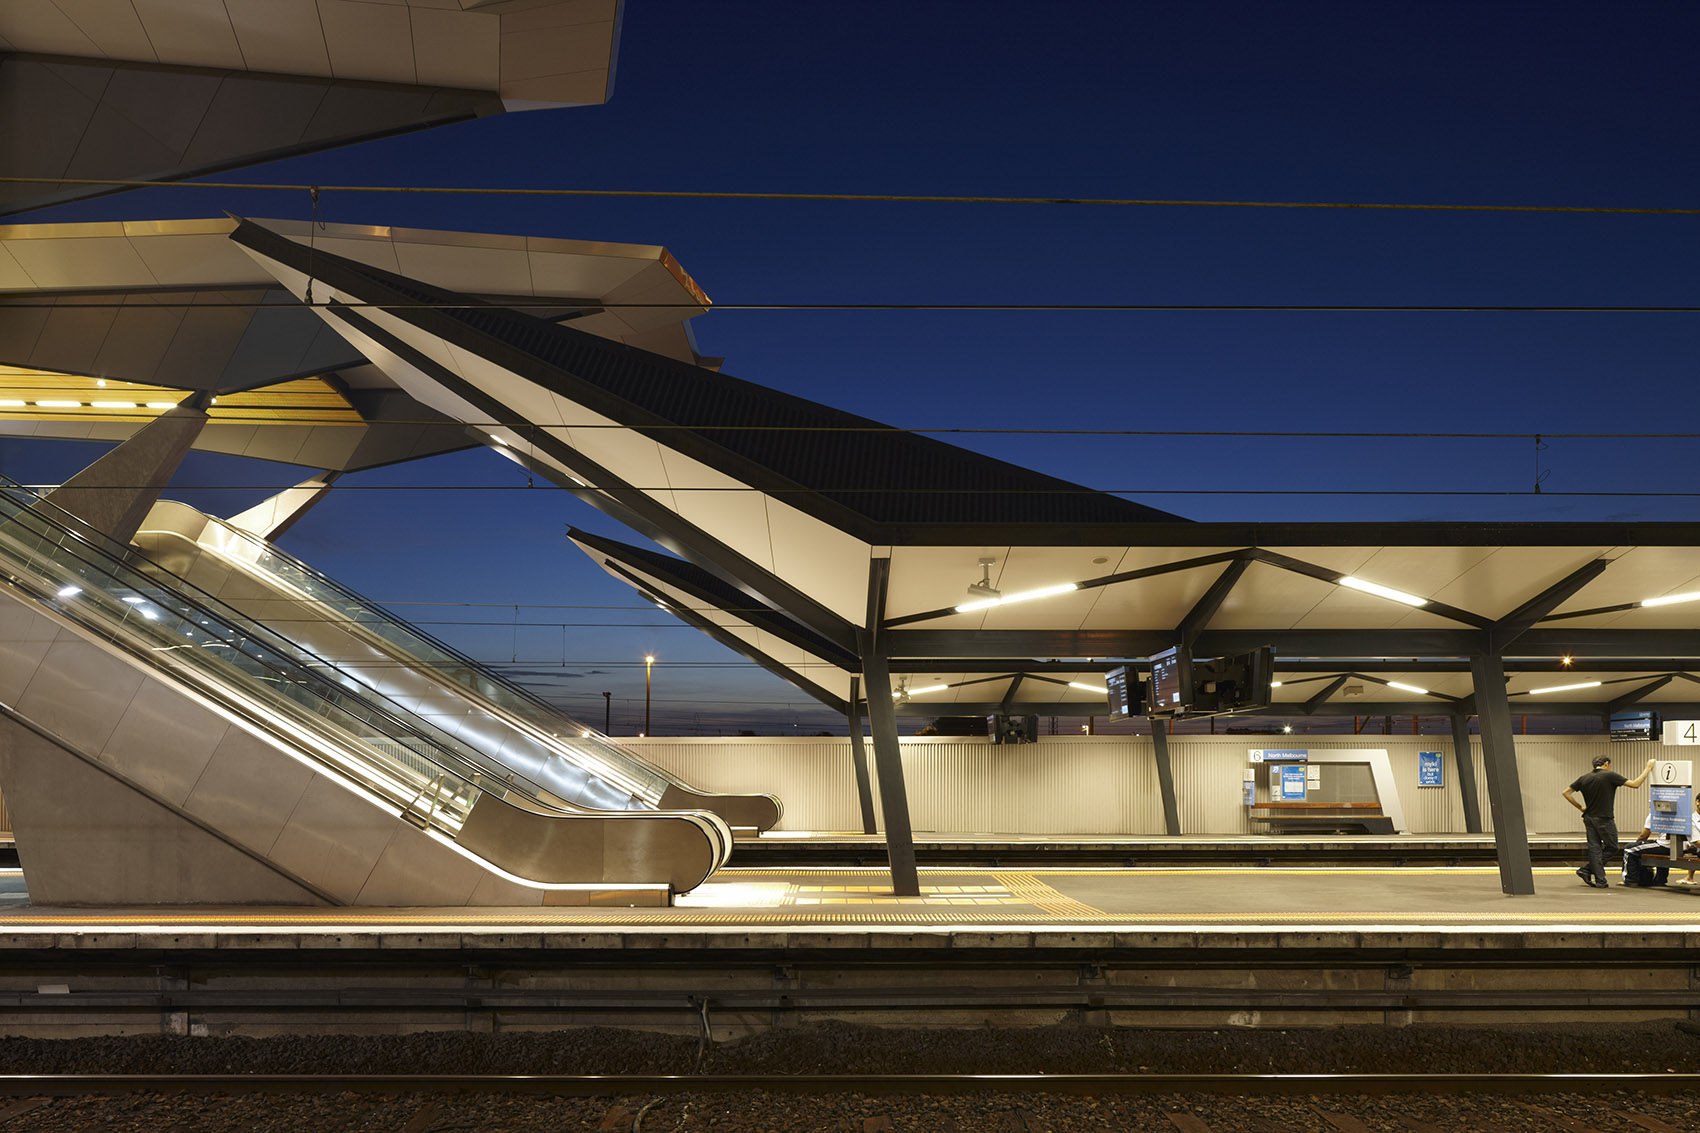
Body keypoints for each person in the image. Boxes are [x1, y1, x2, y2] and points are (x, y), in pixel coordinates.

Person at [1561, 755, 1655, 888]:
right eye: (1610, 765)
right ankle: (1588, 870)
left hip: (1588, 818)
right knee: (1612, 847)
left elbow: (1566, 792)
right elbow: (1635, 784)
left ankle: (1600, 880)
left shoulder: (1584, 778)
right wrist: (1648, 768)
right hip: (1604, 818)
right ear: (1606, 764)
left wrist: (1581, 808)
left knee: (1595, 849)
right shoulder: (1609, 775)